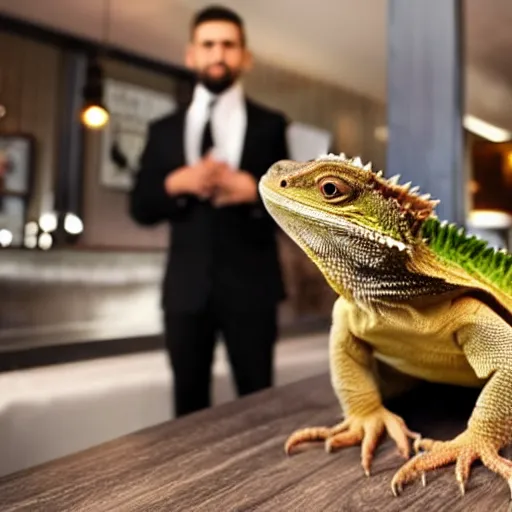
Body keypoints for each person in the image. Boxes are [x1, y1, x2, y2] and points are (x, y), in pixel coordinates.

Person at [130, 5, 289, 417]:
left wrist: (254, 191)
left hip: (253, 288)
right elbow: (140, 207)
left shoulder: (271, 126)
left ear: (245, 57)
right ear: (191, 54)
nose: (218, 54)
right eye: (208, 45)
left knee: (260, 405)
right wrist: (176, 183)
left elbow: (294, 211)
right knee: (187, 406)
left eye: (228, 45)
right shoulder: (162, 129)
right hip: (185, 291)